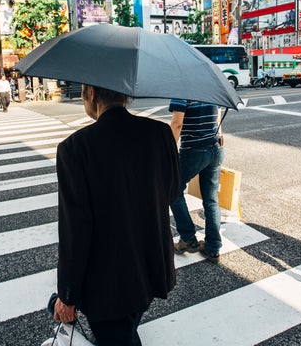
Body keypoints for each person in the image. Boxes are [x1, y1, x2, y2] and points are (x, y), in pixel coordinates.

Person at [52, 84, 181, 345]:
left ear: (91, 92)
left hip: (107, 284)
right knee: (126, 331)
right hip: (151, 265)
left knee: (117, 335)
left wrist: (67, 294)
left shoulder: (75, 148)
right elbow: (172, 192)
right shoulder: (160, 133)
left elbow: (75, 231)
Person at [169, 99, 225, 262]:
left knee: (173, 189)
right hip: (216, 147)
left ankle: (188, 238)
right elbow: (218, 117)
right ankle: (213, 248)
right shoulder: (211, 86)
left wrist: (169, 151)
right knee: (211, 200)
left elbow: (177, 123)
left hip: (193, 150)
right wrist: (220, 136)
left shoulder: (182, 87)